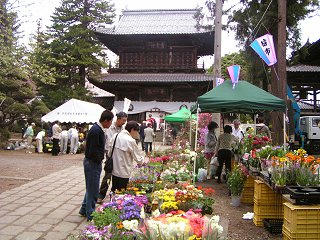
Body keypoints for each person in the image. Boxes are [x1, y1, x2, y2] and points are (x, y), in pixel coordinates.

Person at [79, 110, 113, 221]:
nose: (110, 124)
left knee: (90, 187)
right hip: (92, 162)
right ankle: (91, 214)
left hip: (93, 162)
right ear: (106, 120)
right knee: (93, 189)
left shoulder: (98, 129)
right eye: (110, 121)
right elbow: (93, 150)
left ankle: (84, 209)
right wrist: (99, 159)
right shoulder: (96, 131)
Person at [97, 111, 128, 203]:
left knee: (118, 175)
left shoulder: (123, 129)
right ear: (118, 119)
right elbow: (108, 142)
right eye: (123, 120)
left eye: (125, 121)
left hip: (120, 155)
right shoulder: (110, 128)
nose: (124, 122)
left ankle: (114, 194)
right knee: (108, 175)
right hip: (110, 155)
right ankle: (101, 195)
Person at [110, 121, 144, 192]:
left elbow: (109, 152)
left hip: (114, 170)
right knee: (122, 193)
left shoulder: (115, 136)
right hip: (124, 172)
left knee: (115, 190)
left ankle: (112, 202)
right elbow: (138, 159)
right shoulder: (130, 140)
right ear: (132, 130)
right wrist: (142, 160)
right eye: (136, 131)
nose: (137, 134)